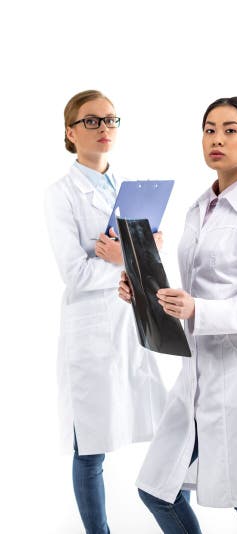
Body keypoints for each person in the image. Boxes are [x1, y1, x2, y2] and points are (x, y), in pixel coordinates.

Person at [120, 96, 237, 534]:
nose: (217, 138)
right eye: (209, 129)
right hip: (196, 371)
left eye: (230, 130)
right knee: (156, 489)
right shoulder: (198, 208)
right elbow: (189, 289)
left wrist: (200, 309)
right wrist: (143, 294)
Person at [45, 89, 167, 534]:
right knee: (91, 445)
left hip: (132, 324)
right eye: (92, 121)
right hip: (92, 329)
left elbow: (142, 257)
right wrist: (119, 262)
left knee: (167, 428)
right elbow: (75, 272)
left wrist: (141, 252)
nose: (103, 129)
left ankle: (173, 511)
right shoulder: (61, 195)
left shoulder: (128, 189)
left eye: (111, 121)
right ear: (70, 132)